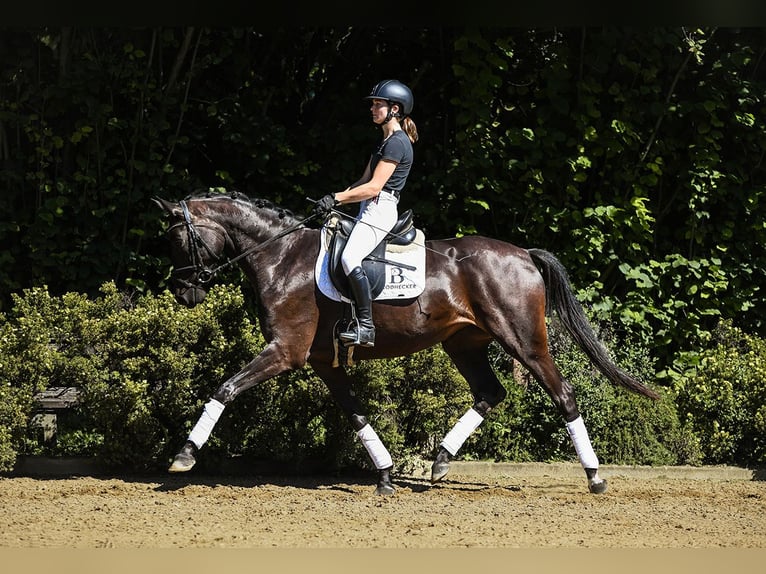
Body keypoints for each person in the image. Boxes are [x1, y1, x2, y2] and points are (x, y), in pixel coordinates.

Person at [313, 79, 419, 347]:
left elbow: (374, 187)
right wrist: (334, 200)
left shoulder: (397, 143)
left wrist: (337, 197)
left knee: (350, 257)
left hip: (381, 209)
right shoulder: (384, 143)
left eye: (377, 104)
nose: (372, 109)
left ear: (395, 109)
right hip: (369, 206)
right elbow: (362, 182)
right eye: (372, 104)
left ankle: (366, 327)